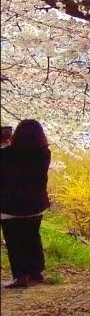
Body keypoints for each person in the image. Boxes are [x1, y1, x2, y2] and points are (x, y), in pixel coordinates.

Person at [0, 120, 52, 289]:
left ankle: (20, 276)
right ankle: (36, 273)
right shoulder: (44, 153)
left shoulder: (7, 154)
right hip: (36, 205)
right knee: (32, 237)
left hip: (11, 206)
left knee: (15, 241)